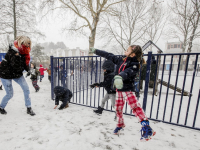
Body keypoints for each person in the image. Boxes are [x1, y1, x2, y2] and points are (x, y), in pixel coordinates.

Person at [90, 45, 156, 141]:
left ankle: (146, 127)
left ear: (132, 54)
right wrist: (96, 51)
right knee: (118, 108)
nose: (125, 51)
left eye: (127, 50)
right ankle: (120, 124)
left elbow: (128, 72)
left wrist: (120, 76)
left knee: (135, 106)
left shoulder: (135, 64)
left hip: (127, 89)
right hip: (119, 90)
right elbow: (108, 55)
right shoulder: (121, 60)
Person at [0, 35, 35, 116]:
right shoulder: (12, 52)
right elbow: (16, 66)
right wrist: (17, 57)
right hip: (6, 74)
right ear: (21, 43)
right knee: (10, 94)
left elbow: (25, 64)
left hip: (16, 74)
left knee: (26, 89)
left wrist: (30, 70)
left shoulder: (25, 53)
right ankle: (1, 107)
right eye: (27, 43)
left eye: (29, 44)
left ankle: (29, 107)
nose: (28, 45)